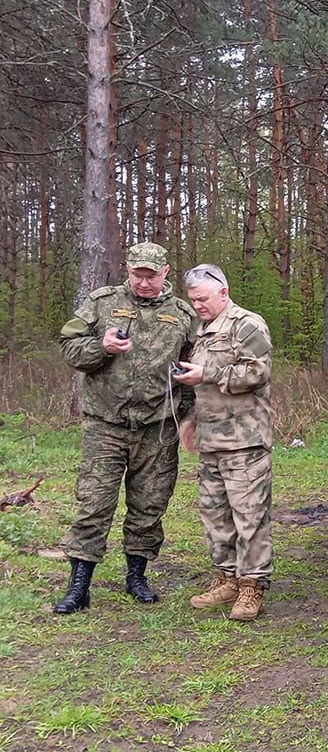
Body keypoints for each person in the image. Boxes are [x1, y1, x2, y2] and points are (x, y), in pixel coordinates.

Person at [55, 241, 198, 614]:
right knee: (94, 503)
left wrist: (188, 417)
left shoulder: (183, 314)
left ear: (165, 273)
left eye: (151, 276)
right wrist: (101, 347)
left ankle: (137, 577)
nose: (144, 283)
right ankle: (79, 586)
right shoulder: (102, 303)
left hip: (157, 428)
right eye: (137, 275)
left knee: (149, 505)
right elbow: (69, 347)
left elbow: (192, 367)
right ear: (129, 271)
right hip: (106, 424)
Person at [173, 264, 274, 622]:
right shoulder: (203, 331)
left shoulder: (247, 324)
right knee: (215, 515)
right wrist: (191, 421)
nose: (197, 305)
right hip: (212, 440)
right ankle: (226, 579)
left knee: (250, 516)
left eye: (202, 298)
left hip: (245, 441)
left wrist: (209, 373)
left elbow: (258, 372)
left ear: (223, 292)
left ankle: (251, 586)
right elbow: (201, 387)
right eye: (193, 299)